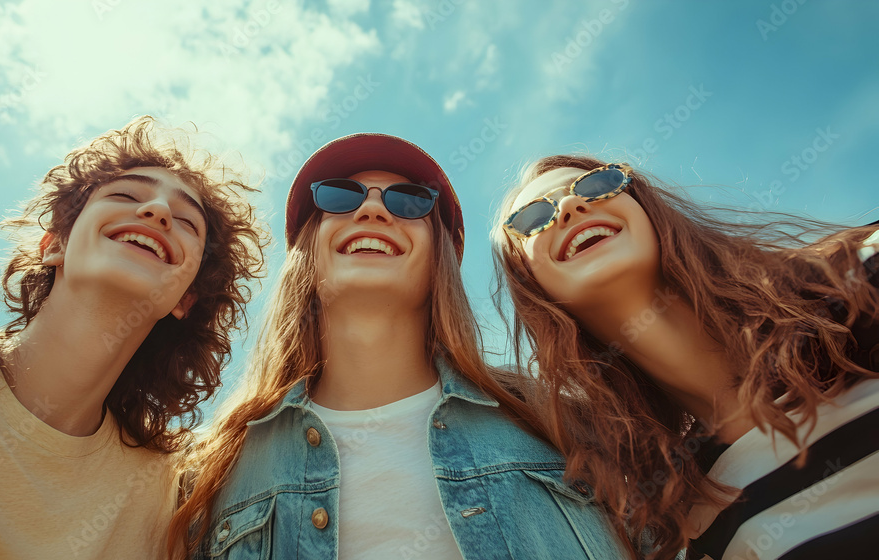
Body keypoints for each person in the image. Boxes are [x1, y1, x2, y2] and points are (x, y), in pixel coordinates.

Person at [168, 134, 629, 560]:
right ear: (309, 248)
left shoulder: (565, 422)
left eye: (409, 202)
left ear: (439, 258)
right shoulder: (208, 476)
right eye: (340, 195)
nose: (372, 212)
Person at [0, 116, 266, 559]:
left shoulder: (172, 498)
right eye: (125, 195)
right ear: (54, 246)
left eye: (186, 222)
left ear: (187, 297)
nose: (157, 212)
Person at [491, 154, 879, 559]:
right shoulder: (690, 524)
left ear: (644, 205)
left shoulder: (857, 283)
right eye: (533, 217)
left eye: (595, 184)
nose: (571, 206)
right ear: (526, 278)